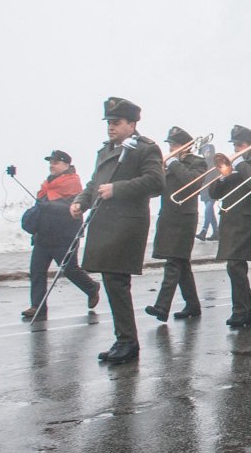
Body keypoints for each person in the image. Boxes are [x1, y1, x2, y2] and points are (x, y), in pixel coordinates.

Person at [71, 98, 164, 364]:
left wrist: (118, 188)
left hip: (126, 224)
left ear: (132, 124)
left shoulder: (145, 148)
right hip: (105, 223)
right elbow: (95, 182)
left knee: (117, 282)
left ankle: (127, 342)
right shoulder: (106, 149)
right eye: (109, 123)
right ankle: (124, 339)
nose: (111, 128)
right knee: (113, 283)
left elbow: (156, 182)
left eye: (117, 123)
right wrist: (81, 201)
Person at [22, 150, 100, 320]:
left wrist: (48, 206)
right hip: (43, 236)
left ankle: (91, 287)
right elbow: (42, 206)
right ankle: (38, 307)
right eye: (50, 162)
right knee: (36, 271)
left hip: (65, 236)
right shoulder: (47, 184)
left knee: (70, 270)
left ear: (66, 165)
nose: (52, 165)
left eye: (56, 162)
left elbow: (72, 209)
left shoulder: (73, 184)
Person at [146, 127, 208, 321]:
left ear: (186, 146)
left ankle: (162, 307)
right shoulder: (167, 164)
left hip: (184, 218)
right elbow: (157, 189)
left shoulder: (197, 162)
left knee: (173, 262)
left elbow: (191, 182)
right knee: (181, 263)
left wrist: (173, 164)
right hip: (168, 217)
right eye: (170, 144)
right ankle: (192, 305)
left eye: (175, 144)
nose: (171, 148)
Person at [210, 126, 251, 327]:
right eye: (235, 144)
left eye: (240, 144)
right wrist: (224, 175)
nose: (236, 148)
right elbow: (214, 193)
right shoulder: (234, 166)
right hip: (230, 221)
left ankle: (241, 311)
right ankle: (247, 312)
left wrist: (241, 164)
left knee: (235, 265)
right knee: (235, 267)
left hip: (247, 221)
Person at [196, 141, 219, 241]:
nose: (206, 153)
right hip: (204, 189)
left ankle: (204, 231)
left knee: (208, 209)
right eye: (205, 151)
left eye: (208, 151)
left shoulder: (215, 162)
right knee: (210, 211)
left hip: (213, 189)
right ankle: (216, 232)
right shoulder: (203, 162)